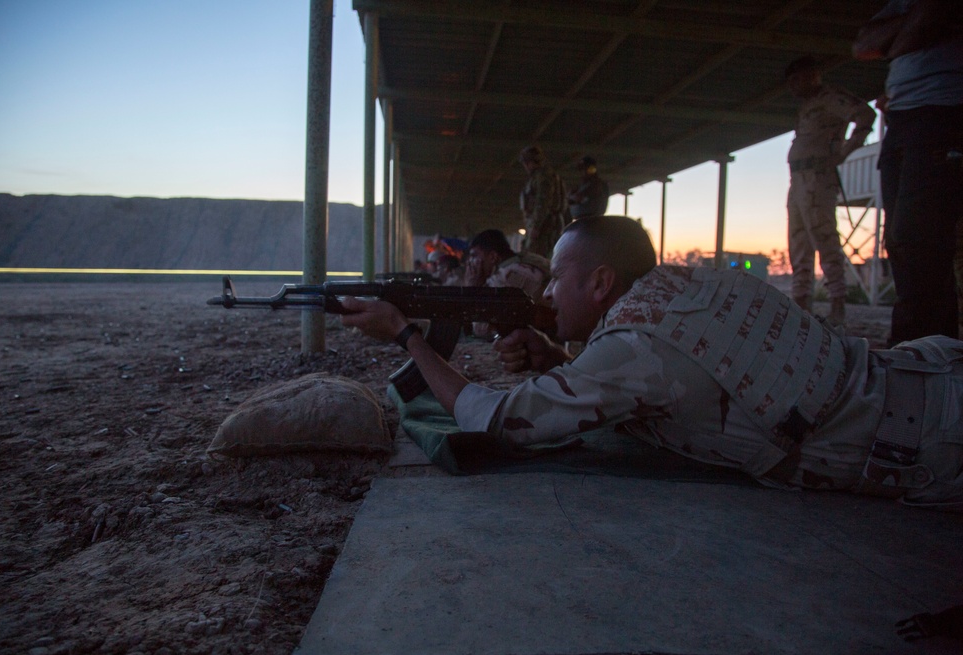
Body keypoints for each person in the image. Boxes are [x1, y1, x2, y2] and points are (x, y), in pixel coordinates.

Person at [341, 215, 963, 510]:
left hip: (936, 444)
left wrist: (406, 337)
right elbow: (680, 375)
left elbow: (492, 417)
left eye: (558, 279)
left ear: (603, 282)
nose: (548, 294)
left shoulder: (634, 353)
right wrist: (561, 359)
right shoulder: (696, 284)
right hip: (929, 375)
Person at [854, 0, 963, 346]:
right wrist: (910, 29)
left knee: (919, 243)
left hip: (943, 113)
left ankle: (924, 354)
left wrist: (897, 40)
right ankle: (927, 350)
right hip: (901, 121)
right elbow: (863, 45)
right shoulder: (902, 4)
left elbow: (923, 21)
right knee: (902, 244)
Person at [784, 56, 876, 326]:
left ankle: (838, 304)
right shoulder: (807, 106)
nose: (793, 87)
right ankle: (801, 302)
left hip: (817, 179)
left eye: (797, 79)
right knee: (798, 242)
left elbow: (865, 114)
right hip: (799, 179)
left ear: (812, 75)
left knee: (823, 237)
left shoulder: (830, 98)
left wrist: (845, 151)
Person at [463, 228, 551, 337]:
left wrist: (472, 288)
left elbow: (481, 329)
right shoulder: (526, 261)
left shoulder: (506, 277)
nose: (470, 262)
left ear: (493, 257)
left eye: (474, 256)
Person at [518, 145, 569, 258]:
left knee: (537, 258)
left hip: (545, 226)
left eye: (526, 162)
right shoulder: (540, 176)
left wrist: (536, 226)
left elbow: (543, 202)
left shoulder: (543, 176)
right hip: (544, 224)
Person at [567, 155, 610, 220]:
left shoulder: (596, 184)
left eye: (583, 169)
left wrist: (570, 196)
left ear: (591, 169)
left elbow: (579, 197)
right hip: (583, 219)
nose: (581, 172)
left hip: (590, 220)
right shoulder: (585, 185)